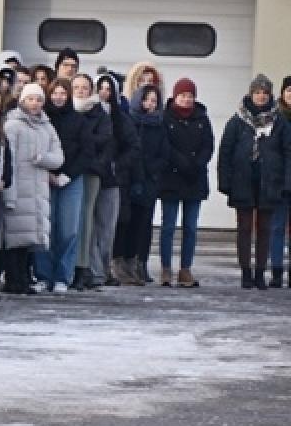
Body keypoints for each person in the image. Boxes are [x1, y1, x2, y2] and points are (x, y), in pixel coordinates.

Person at [217, 74, 289, 289]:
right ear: (251, 94)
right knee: (244, 227)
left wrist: (286, 182)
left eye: (265, 93)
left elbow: (287, 152)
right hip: (242, 180)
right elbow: (226, 152)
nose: (261, 97)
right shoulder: (237, 120)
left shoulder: (280, 123)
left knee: (265, 228)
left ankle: (260, 272)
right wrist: (225, 181)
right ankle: (245, 272)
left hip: (270, 181)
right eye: (257, 92)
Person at [1, 83, 65, 294]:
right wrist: (9, 193)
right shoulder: (13, 126)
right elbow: (7, 161)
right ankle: (14, 279)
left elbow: (58, 157)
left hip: (37, 190)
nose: (35, 103)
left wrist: (42, 159)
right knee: (15, 238)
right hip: (18, 188)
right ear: (22, 101)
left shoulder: (47, 126)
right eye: (31, 99)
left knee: (29, 238)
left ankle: (24, 278)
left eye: (38, 100)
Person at [156, 77, 213, 288]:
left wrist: (197, 162)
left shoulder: (202, 118)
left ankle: (185, 269)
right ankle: (165, 268)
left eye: (190, 96)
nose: (187, 99)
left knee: (190, 226)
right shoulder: (165, 117)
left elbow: (209, 145)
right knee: (168, 225)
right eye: (183, 95)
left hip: (195, 178)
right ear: (175, 96)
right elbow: (165, 145)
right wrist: (180, 161)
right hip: (171, 177)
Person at [38, 78, 89, 293]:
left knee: (68, 230)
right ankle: (42, 275)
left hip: (71, 180)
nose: (58, 97)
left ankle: (63, 276)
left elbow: (87, 152)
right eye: (55, 93)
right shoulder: (41, 119)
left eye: (63, 94)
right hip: (45, 178)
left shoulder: (78, 120)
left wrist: (68, 174)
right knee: (45, 228)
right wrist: (48, 173)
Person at [114, 84, 166, 286]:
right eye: (146, 99)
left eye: (154, 101)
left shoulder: (159, 124)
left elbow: (164, 153)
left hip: (149, 181)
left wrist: (152, 171)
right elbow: (128, 149)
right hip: (129, 179)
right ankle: (120, 263)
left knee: (142, 225)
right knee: (125, 222)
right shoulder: (130, 121)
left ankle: (136, 262)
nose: (149, 104)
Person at [91, 73, 137, 287]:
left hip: (112, 180)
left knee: (107, 227)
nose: (104, 93)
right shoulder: (89, 114)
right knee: (89, 227)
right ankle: (93, 270)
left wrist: (117, 166)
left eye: (109, 89)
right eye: (101, 88)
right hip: (91, 175)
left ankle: (104, 268)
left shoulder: (122, 119)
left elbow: (133, 146)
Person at [69, 73, 112, 291]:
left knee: (85, 219)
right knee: (68, 220)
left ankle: (82, 266)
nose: (80, 91)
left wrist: (86, 147)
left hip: (90, 171)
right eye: (76, 87)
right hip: (69, 170)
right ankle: (67, 266)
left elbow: (105, 140)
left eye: (84, 87)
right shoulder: (66, 109)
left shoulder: (99, 113)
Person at [274, 76, 291, 287]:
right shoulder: (275, 118)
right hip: (278, 181)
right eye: (288, 90)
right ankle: (276, 271)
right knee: (277, 228)